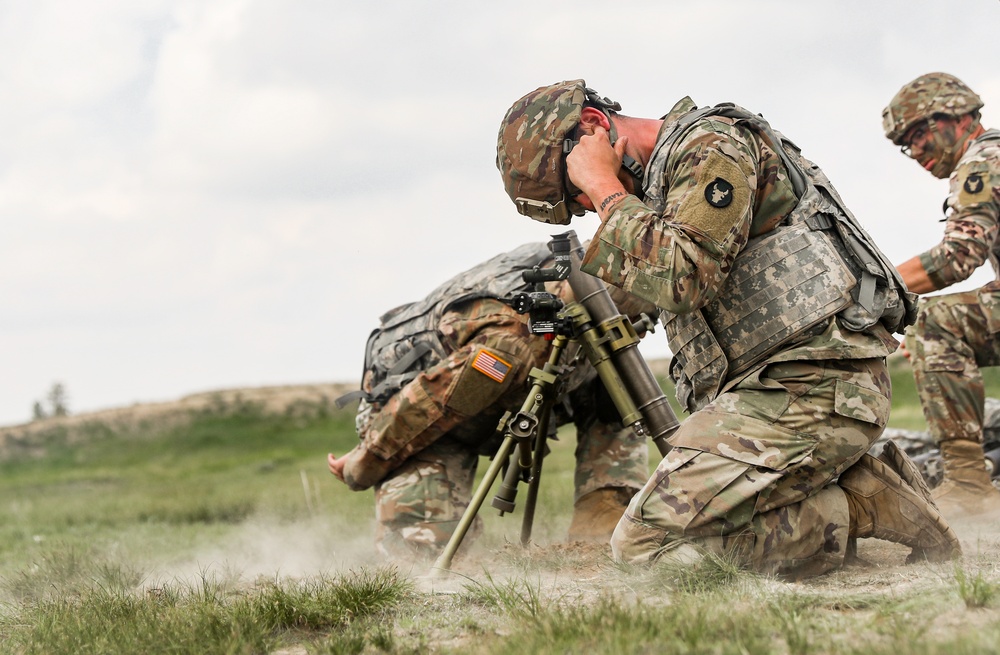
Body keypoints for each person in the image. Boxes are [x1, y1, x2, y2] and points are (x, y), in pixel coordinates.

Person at [496, 80, 961, 578]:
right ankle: (860, 490)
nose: (588, 207)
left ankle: (855, 508)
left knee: (645, 545)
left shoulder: (712, 144)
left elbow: (681, 277)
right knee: (677, 533)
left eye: (575, 192)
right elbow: (654, 280)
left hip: (814, 387)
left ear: (592, 125)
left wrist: (603, 186)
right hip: (769, 397)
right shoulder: (662, 196)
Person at [328, 241, 652, 561]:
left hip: (504, 398)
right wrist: (363, 462)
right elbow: (427, 403)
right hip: (423, 422)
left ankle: (603, 532)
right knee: (420, 554)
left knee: (623, 387)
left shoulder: (602, 318)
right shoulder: (514, 335)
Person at [883, 72, 1000, 519]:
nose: (914, 151)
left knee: (934, 321)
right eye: (904, 144)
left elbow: (957, 256)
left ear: (954, 115)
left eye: (917, 134)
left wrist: (874, 284)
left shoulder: (982, 161)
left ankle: (969, 484)